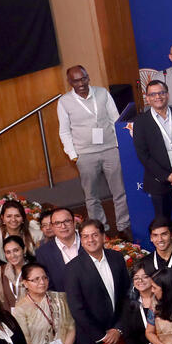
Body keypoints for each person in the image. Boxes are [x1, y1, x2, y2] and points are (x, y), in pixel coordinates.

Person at [56, 65, 130, 237]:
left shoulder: (102, 93)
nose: (81, 83)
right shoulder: (64, 102)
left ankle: (123, 226)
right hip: (85, 154)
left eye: (83, 78)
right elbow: (64, 131)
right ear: (70, 82)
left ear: (88, 77)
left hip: (110, 148)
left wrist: (119, 145)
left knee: (120, 191)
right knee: (91, 196)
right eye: (76, 80)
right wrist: (74, 155)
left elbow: (115, 119)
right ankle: (100, 227)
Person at [134, 79, 172, 232]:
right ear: (147, 98)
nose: (158, 97)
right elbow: (142, 154)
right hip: (158, 181)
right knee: (163, 225)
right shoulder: (141, 121)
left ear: (167, 95)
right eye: (153, 94)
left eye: (161, 93)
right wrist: (165, 175)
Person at [34, 207, 82, 292]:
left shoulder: (89, 241)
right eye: (57, 223)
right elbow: (48, 286)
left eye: (67, 221)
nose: (63, 226)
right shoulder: (43, 253)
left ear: (74, 223)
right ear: (52, 226)